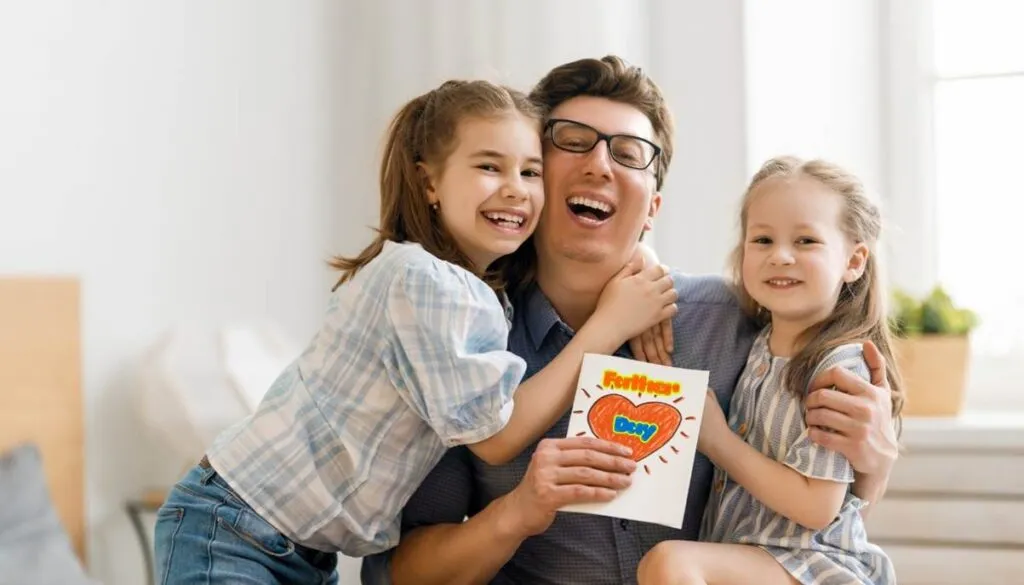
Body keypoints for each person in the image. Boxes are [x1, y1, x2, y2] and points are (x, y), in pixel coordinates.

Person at [361, 57, 900, 585]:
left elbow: (809, 538)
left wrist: (874, 463)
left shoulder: (740, 321)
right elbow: (397, 572)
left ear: (653, 209)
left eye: (629, 152)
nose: (600, 165)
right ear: (532, 179)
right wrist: (519, 510)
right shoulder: (463, 343)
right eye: (573, 140)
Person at [152, 79, 678, 584]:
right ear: (429, 182)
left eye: (531, 172)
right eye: (490, 167)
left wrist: (636, 253)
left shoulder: (481, 292)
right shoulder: (424, 282)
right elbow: (496, 436)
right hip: (236, 525)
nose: (515, 190)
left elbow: (587, 240)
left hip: (301, 549)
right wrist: (609, 327)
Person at [635, 156, 903, 585]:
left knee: (671, 563)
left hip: (813, 565)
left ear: (854, 261)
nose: (780, 256)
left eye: (806, 241)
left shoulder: (839, 368)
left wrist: (717, 439)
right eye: (761, 240)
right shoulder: (760, 343)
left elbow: (818, 508)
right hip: (751, 558)